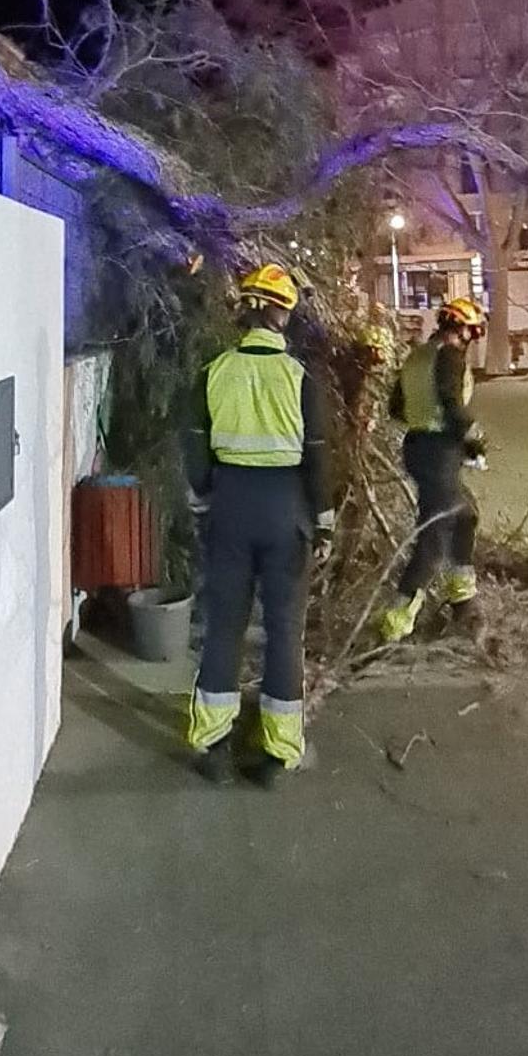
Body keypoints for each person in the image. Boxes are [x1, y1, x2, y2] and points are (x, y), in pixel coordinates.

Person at [184, 265, 334, 787]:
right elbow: (318, 456)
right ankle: (278, 751)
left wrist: (204, 501)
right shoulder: (300, 377)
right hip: (284, 509)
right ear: (282, 314)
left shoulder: (214, 371)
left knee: (223, 627)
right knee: (284, 632)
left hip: (229, 507)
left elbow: (195, 450)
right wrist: (325, 520)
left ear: (244, 311)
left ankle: (212, 745)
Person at [379, 297, 488, 641]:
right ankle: (397, 622)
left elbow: (396, 407)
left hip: (418, 447)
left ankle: (462, 598)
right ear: (466, 331)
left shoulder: (418, 355)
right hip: (439, 450)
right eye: (473, 332)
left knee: (465, 514)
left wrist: (423, 420)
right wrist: (474, 442)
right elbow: (453, 406)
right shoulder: (450, 357)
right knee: (435, 534)